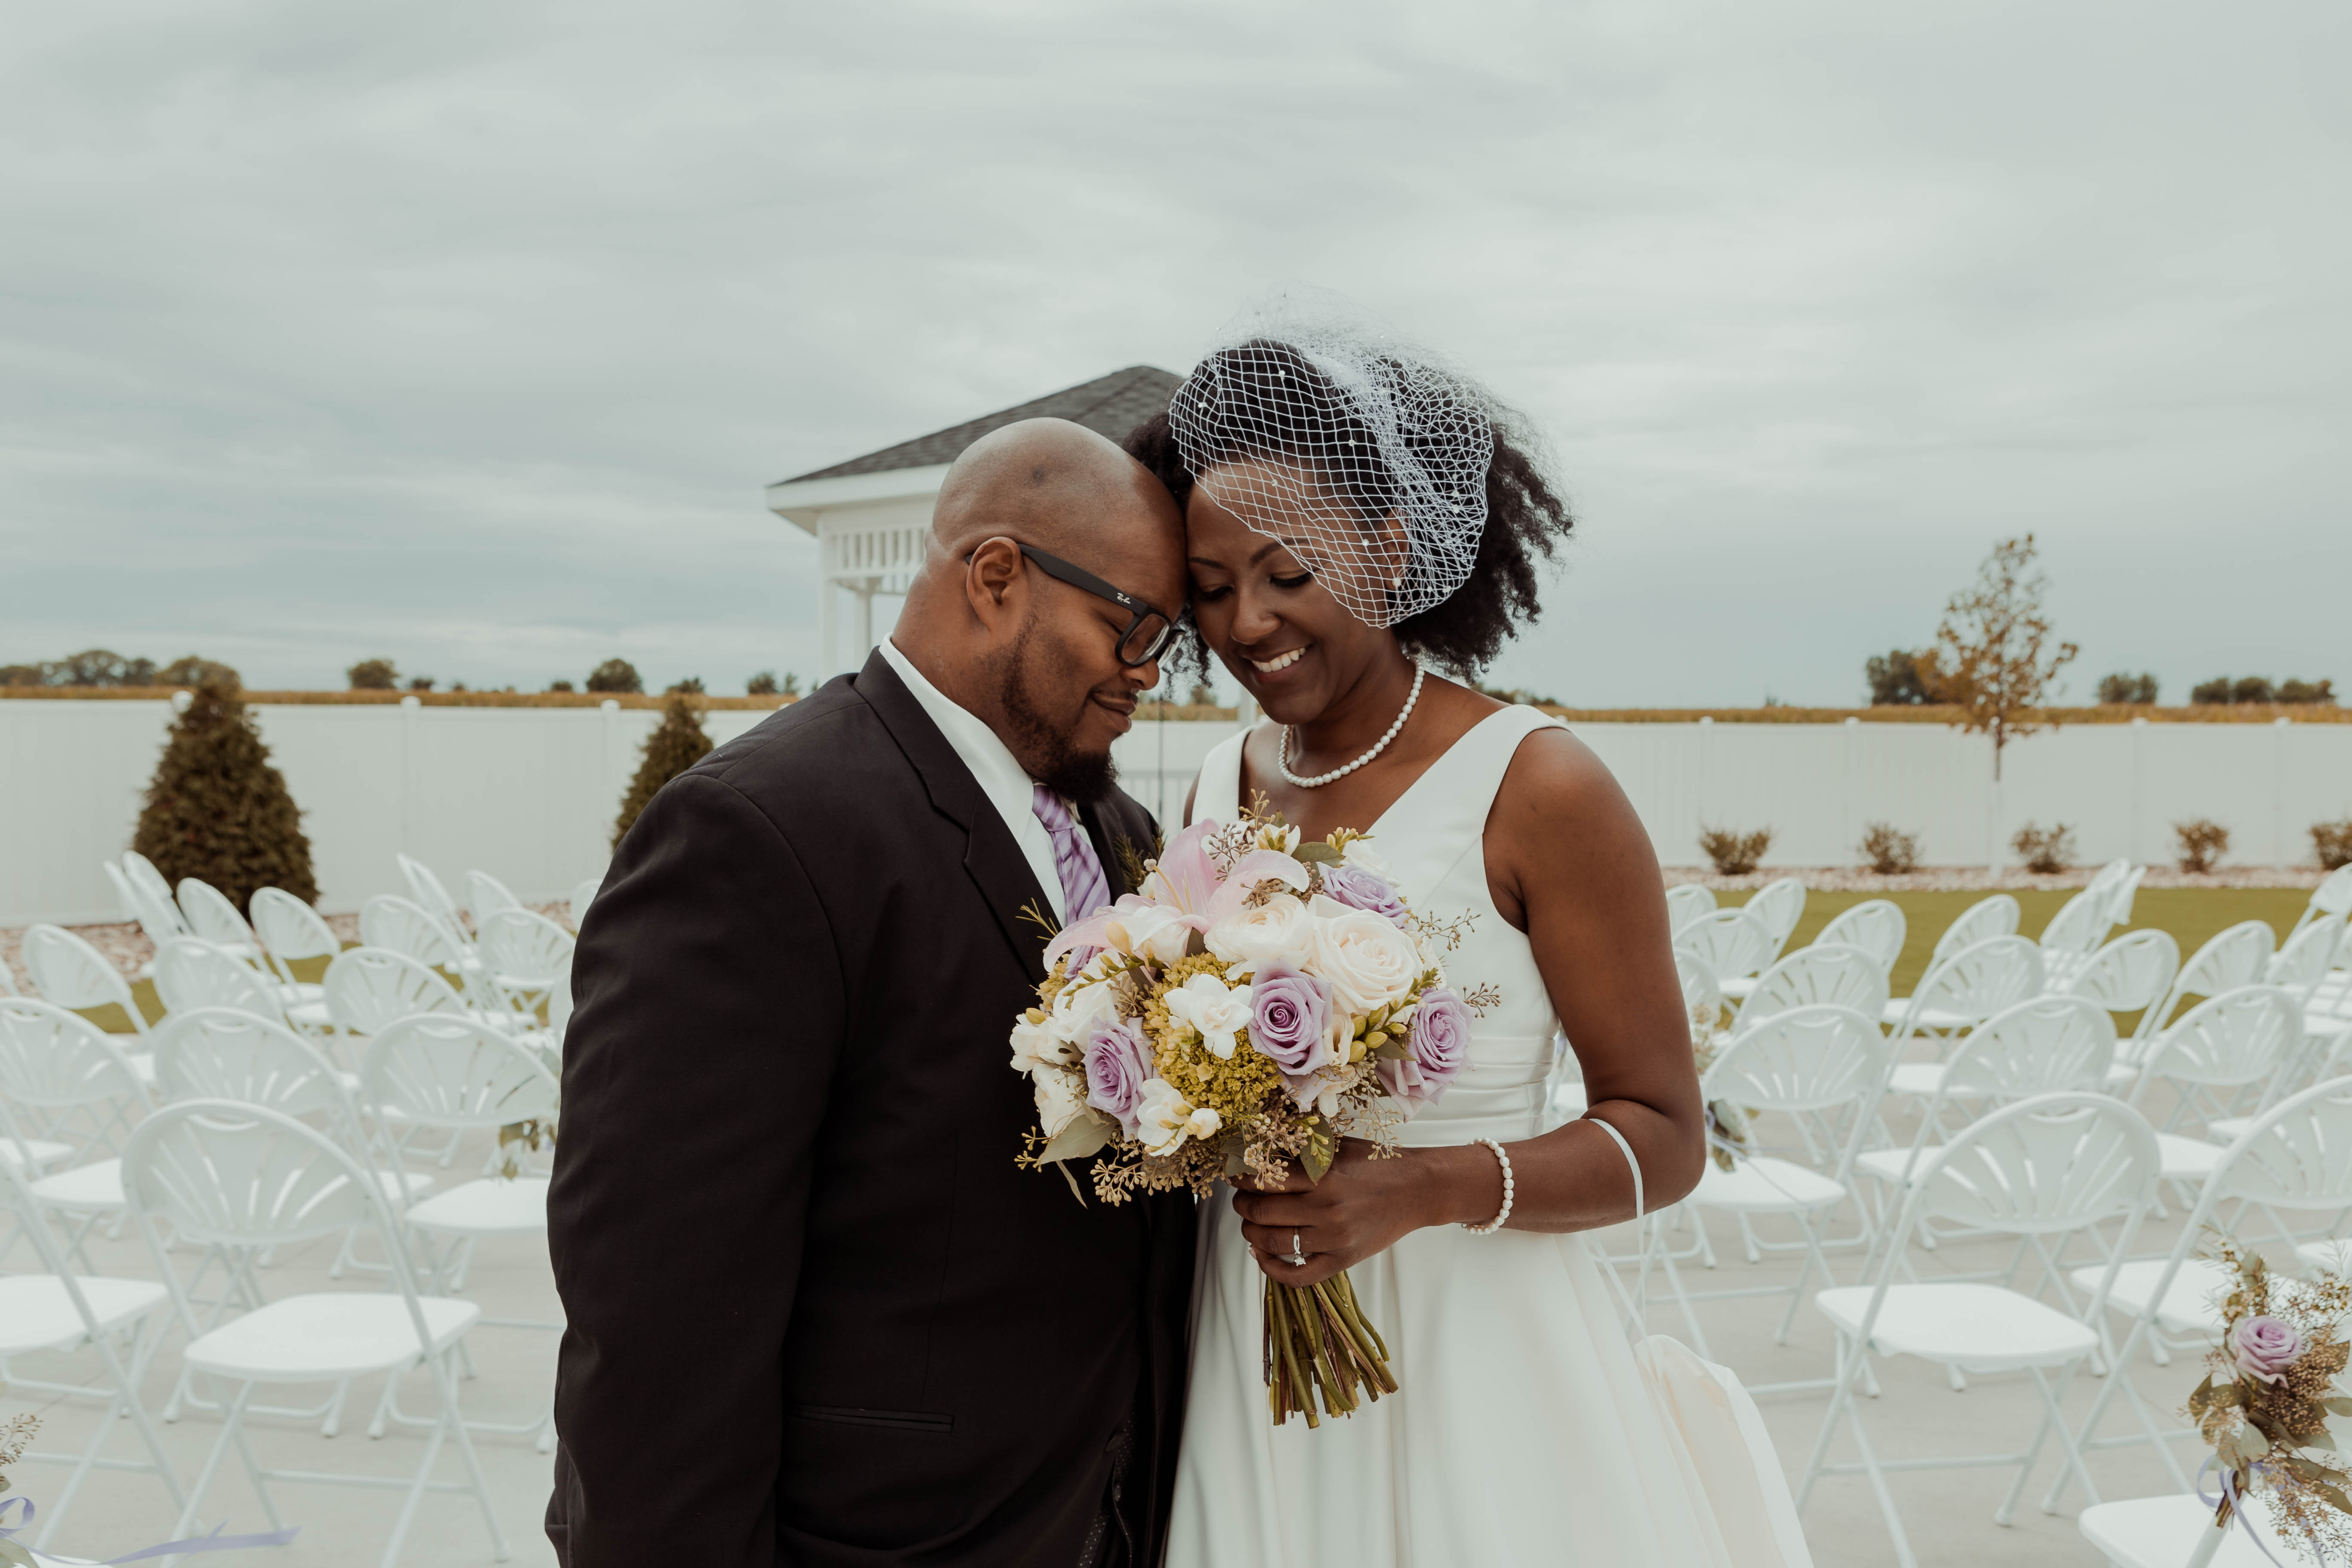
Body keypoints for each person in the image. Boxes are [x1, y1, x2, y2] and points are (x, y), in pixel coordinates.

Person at [1124, 308, 1815, 1566]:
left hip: (1479, 1340)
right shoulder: (1219, 779)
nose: (1247, 625)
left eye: (1289, 574)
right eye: (1213, 591)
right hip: (1251, 1332)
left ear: (1390, 553)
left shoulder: (1540, 784)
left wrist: (1419, 1190)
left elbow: (1664, 1138)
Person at [545, 418, 1198, 1568]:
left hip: (1097, 1516)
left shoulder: (1125, 835)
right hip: (880, 1537)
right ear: (998, 576)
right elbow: (661, 1316)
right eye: (1132, 625)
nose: (1149, 672)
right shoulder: (760, 830)